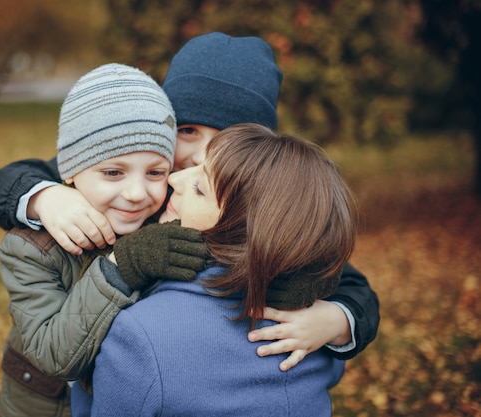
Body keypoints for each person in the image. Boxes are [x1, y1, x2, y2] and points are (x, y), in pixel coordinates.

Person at [0, 32, 380, 370]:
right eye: (187, 130)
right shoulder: (129, 180)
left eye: (227, 140)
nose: (200, 157)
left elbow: (346, 278)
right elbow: (6, 183)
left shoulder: (251, 210)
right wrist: (45, 198)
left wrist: (337, 320)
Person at [72, 124, 356, 416]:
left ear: (240, 227)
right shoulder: (314, 324)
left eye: (199, 188)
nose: (175, 177)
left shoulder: (139, 336)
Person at [0, 63, 207, 416]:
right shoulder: (30, 249)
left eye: (155, 172)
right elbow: (53, 356)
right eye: (113, 172)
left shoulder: (165, 220)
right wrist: (119, 268)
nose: (138, 193)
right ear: (70, 170)